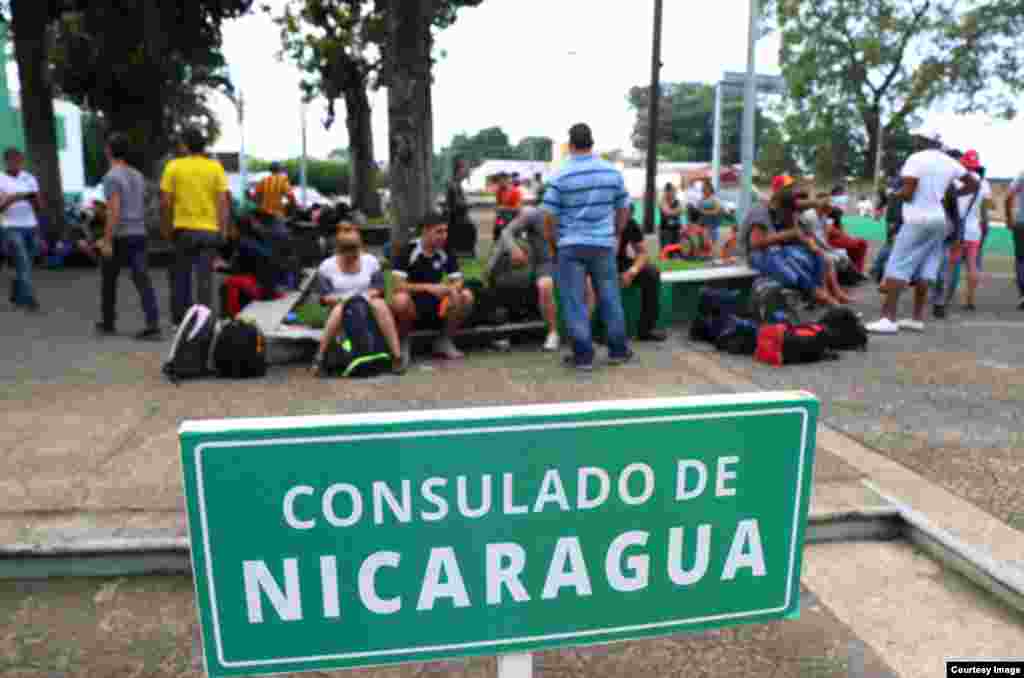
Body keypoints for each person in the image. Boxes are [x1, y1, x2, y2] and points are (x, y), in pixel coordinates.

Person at [866, 127, 978, 334]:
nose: (915, 141)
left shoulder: (915, 159)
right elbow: (973, 185)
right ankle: (916, 318)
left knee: (897, 265)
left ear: (923, 140)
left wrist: (893, 194)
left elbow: (908, 193)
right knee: (927, 266)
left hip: (917, 219)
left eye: (917, 138)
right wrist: (948, 195)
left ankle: (888, 318)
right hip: (939, 220)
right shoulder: (949, 161)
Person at [542, 122, 632, 370]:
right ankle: (618, 351)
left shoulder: (560, 175)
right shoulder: (611, 172)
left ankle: (583, 356)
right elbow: (624, 207)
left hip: (570, 246)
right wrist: (616, 233)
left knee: (575, 301)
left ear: (570, 145)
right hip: (603, 244)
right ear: (592, 143)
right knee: (610, 297)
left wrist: (554, 244)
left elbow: (549, 216)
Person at [312, 218, 404, 376]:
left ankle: (397, 356)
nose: (353, 258)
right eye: (348, 255)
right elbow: (324, 297)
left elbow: (380, 288)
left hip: (367, 304)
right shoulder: (327, 267)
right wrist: (344, 300)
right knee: (340, 309)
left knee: (380, 304)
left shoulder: (370, 261)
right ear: (339, 251)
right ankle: (319, 357)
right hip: (342, 308)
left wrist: (365, 296)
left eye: (356, 254)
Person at [160, 128, 232, 326]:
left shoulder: (173, 167)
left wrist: (166, 228)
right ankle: (204, 323)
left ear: (185, 145)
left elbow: (165, 203)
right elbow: (223, 202)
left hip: (183, 231)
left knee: (180, 277)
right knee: (205, 280)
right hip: (209, 231)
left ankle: (180, 322)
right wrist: (223, 231)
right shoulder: (215, 168)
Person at [94, 133, 161, 339]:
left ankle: (108, 322)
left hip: (120, 234)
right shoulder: (137, 175)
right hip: (139, 232)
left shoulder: (111, 177)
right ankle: (153, 324)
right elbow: (146, 201)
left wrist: (107, 240)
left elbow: (113, 211)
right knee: (143, 279)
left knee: (109, 279)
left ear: (108, 150)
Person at [390, 214, 475, 363]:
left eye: (445, 231)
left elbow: (458, 280)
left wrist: (451, 289)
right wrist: (429, 287)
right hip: (413, 306)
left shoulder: (445, 250)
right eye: (439, 231)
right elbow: (398, 286)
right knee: (400, 300)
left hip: (438, 305)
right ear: (425, 231)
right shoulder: (408, 250)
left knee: (466, 296)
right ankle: (403, 341)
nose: (444, 236)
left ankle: (444, 341)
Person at [487, 206, 560, 351]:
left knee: (588, 281)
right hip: (544, 264)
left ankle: (584, 331)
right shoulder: (534, 214)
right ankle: (553, 333)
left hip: (569, 261)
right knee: (545, 285)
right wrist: (514, 249)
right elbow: (506, 232)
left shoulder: (577, 212)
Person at [934, 150, 991, 316]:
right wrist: (985, 227)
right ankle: (970, 300)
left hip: (959, 229)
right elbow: (985, 209)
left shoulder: (955, 181)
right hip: (975, 230)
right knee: (973, 265)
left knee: (951, 265)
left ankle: (944, 298)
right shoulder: (984, 183)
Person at [0, 147, 43, 311]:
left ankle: (16, 293)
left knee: (25, 264)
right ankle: (29, 299)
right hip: (11, 227)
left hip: (31, 225)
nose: (17, 164)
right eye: (13, 161)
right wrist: (13, 198)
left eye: (19, 161)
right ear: (6, 162)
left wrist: (33, 199)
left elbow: (39, 207)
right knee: (23, 262)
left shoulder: (29, 178)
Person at [618, 217, 667, 342]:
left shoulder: (629, 222)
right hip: (596, 263)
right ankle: (602, 330)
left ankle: (646, 329)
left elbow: (642, 253)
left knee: (651, 272)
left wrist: (632, 271)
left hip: (619, 262)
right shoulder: (595, 218)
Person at [822, 193, 868, 274]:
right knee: (861, 243)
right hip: (833, 243)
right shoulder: (830, 224)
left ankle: (856, 270)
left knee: (859, 244)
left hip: (837, 241)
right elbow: (828, 235)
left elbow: (843, 234)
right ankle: (857, 270)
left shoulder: (833, 223)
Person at [253, 162, 295, 238]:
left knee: (266, 234)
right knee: (280, 236)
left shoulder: (263, 180)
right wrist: (293, 205)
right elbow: (290, 196)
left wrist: (260, 205)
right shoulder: (282, 180)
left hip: (263, 213)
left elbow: (255, 197)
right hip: (276, 213)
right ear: (280, 169)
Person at [446, 157, 476, 257]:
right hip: (456, 219)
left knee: (471, 228)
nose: (468, 171)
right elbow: (457, 203)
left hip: (458, 218)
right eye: (466, 168)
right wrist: (469, 204)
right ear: (459, 170)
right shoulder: (453, 184)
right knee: (471, 229)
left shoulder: (456, 184)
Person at [1003, 165, 1024, 310]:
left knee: (1021, 259)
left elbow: (1009, 196)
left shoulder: (1022, 175)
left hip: (1021, 223)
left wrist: (1009, 217)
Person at [699, 179, 724, 254]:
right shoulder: (702, 199)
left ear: (710, 189)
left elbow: (717, 211)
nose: (704, 190)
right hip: (705, 224)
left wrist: (704, 212)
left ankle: (714, 253)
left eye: (706, 188)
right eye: (703, 188)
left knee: (714, 240)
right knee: (706, 239)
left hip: (713, 224)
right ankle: (709, 253)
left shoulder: (714, 199)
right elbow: (700, 209)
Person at [659, 182, 683, 247]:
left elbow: (681, 211)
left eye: (672, 191)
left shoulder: (677, 201)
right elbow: (667, 212)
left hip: (676, 229)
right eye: (668, 191)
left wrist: (672, 212)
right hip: (666, 230)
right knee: (666, 250)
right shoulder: (662, 201)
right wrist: (676, 211)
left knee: (677, 249)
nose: (671, 193)